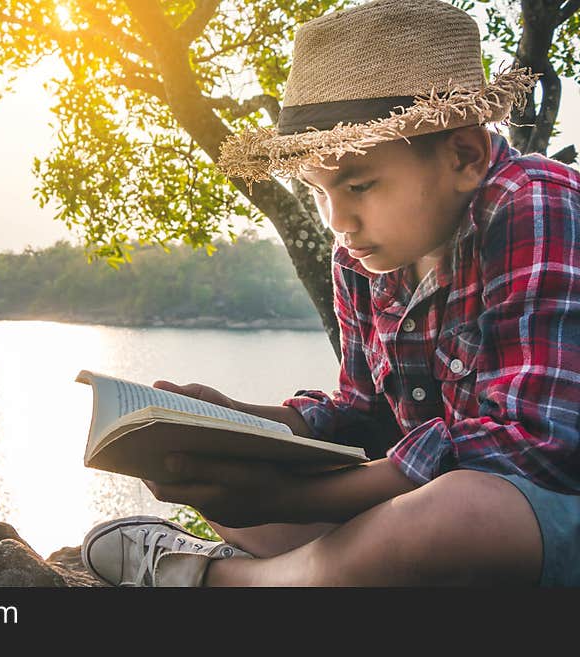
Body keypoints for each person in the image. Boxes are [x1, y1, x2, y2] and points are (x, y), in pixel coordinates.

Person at [80, 0, 580, 586]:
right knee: (231, 490)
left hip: (542, 511)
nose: (337, 220)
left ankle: (222, 582)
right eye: (318, 192)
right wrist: (249, 425)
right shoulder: (364, 253)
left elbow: (534, 445)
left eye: (359, 185)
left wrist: (296, 500)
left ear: (464, 155)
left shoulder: (535, 203)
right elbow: (363, 414)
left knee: (461, 514)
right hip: (430, 507)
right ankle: (302, 571)